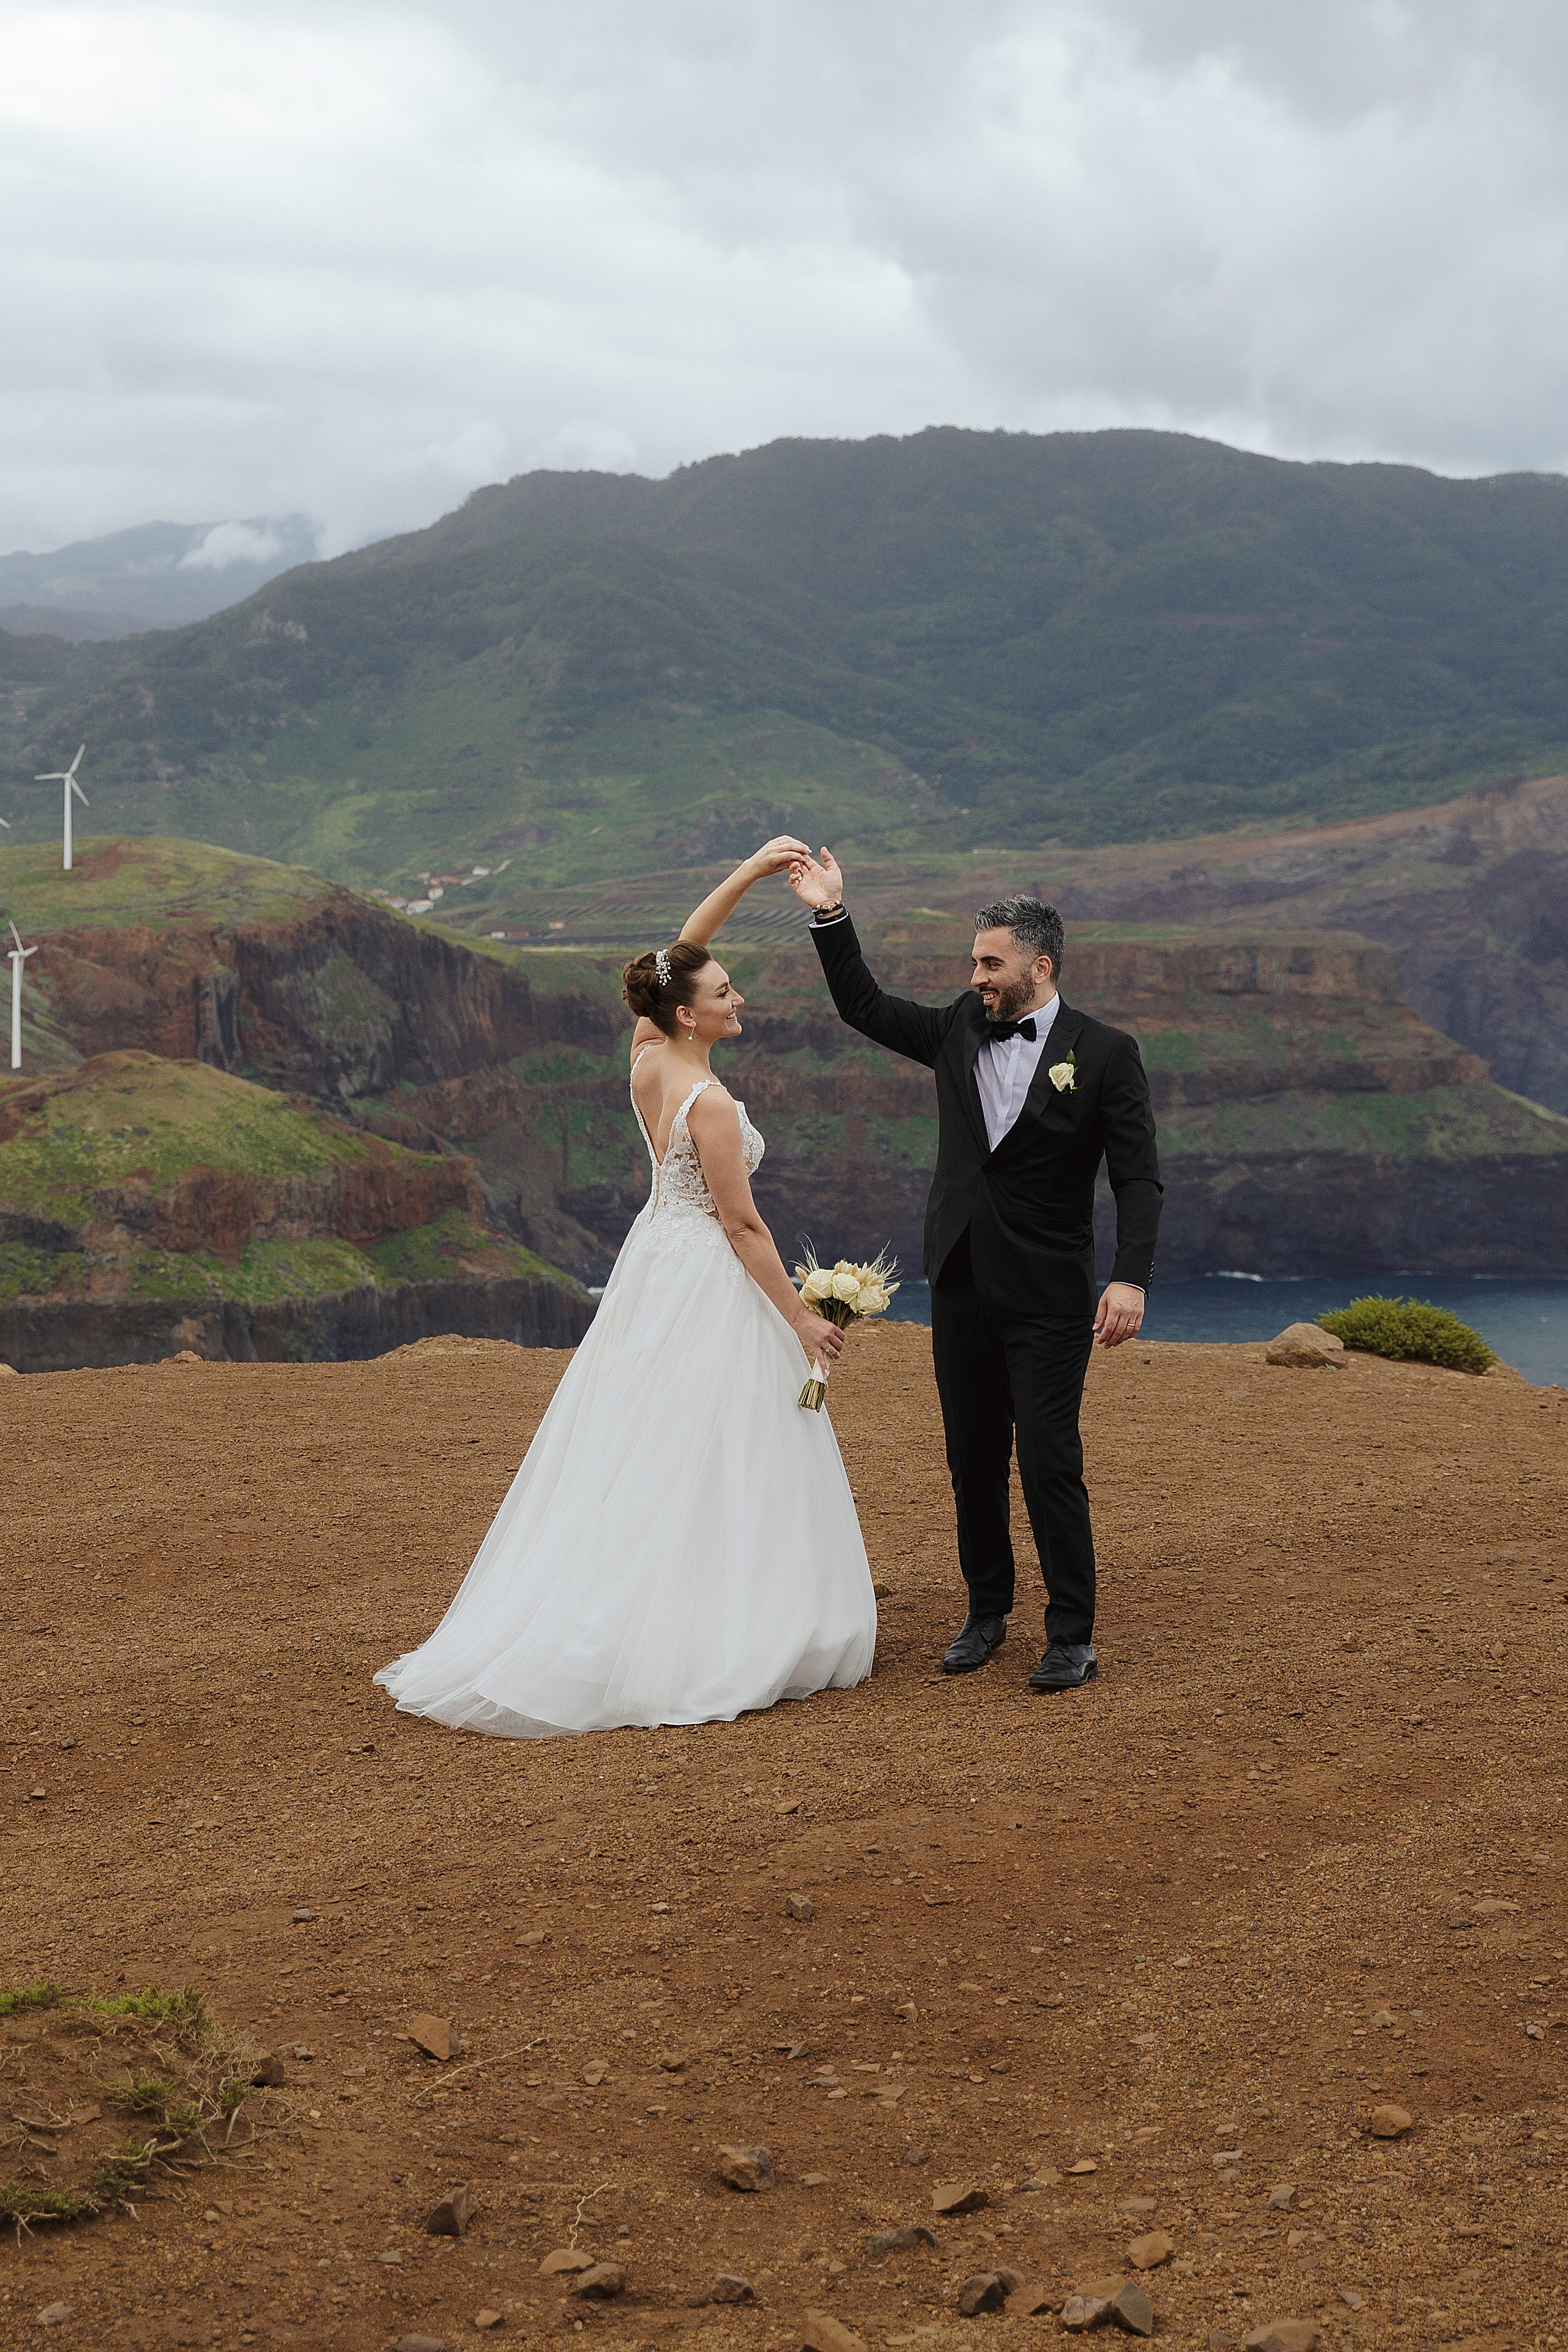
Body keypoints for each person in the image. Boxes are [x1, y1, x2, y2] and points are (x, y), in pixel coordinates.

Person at [375, 837, 876, 1740]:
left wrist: (749, 876)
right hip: (709, 1274)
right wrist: (800, 1315)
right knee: (717, 1445)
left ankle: (638, 1598)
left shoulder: (650, 1054)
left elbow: (678, 950)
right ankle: (712, 1623)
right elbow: (743, 1226)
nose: (738, 998)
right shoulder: (711, 1104)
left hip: (654, 1264)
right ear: (690, 1016)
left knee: (645, 1439)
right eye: (724, 994)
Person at [788, 850, 1161, 1693]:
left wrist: (1130, 1276)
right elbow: (864, 1006)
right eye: (974, 963)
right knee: (972, 1455)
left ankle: (1071, 1632)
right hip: (958, 1281)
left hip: (1050, 1294)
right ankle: (986, 1611)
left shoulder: (1105, 1053)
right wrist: (830, 915)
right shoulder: (959, 1024)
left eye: (991, 964)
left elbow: (1138, 1177)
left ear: (1041, 966)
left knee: (1049, 1458)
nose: (977, 977)